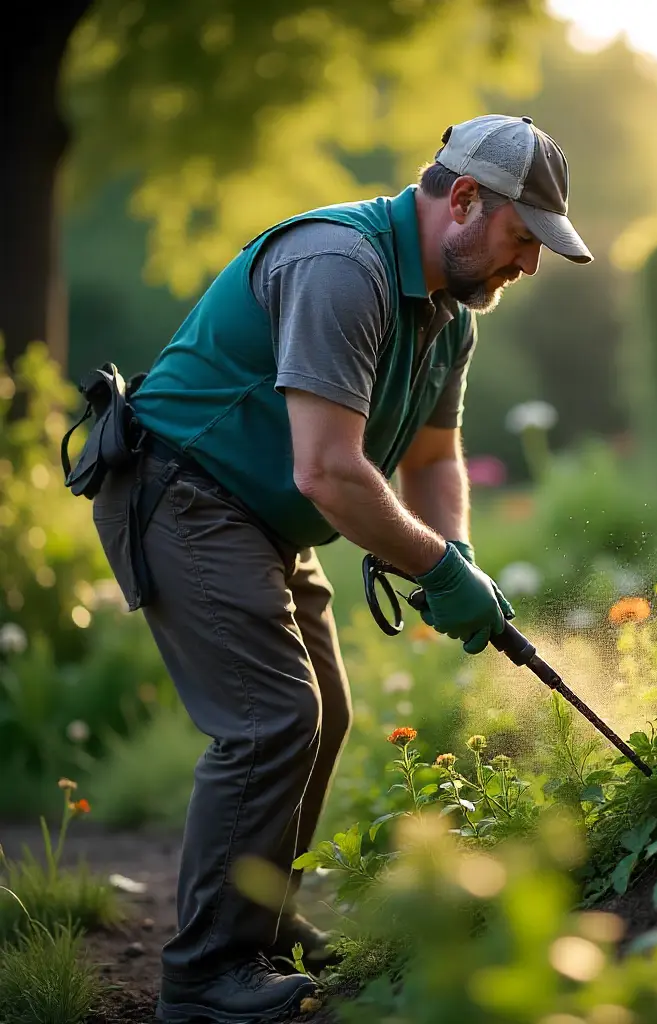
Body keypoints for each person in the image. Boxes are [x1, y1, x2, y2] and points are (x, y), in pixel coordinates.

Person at [87, 113, 592, 1024]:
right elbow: (326, 471)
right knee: (271, 718)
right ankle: (203, 977)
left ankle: (260, 922)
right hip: (183, 492)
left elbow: (432, 457)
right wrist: (437, 570)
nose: (528, 266)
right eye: (524, 238)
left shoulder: (449, 312)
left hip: (257, 517)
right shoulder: (340, 267)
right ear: (464, 200)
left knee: (326, 712)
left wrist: (455, 555)